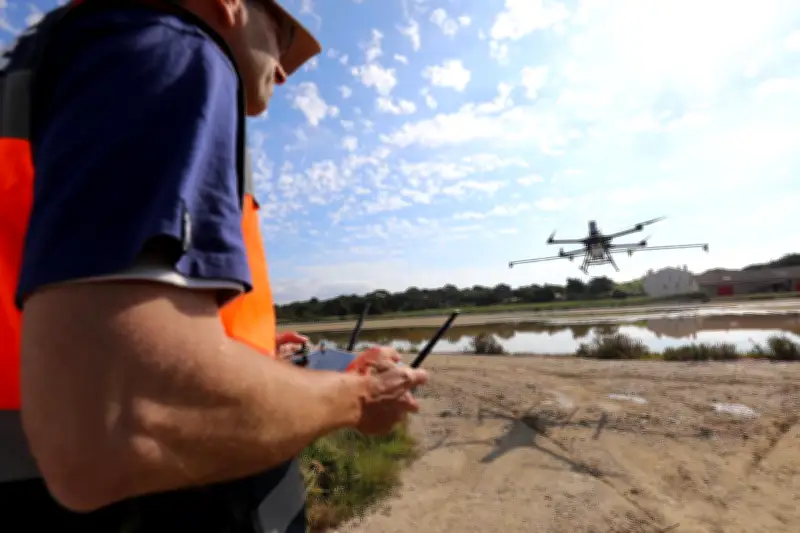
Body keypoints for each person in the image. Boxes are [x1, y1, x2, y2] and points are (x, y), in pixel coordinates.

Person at [0, 0, 428, 530]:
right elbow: (124, 419)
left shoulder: (73, 66)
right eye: (284, 35)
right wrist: (359, 398)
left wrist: (252, 354)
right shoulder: (167, 48)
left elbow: (82, 324)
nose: (285, 70)